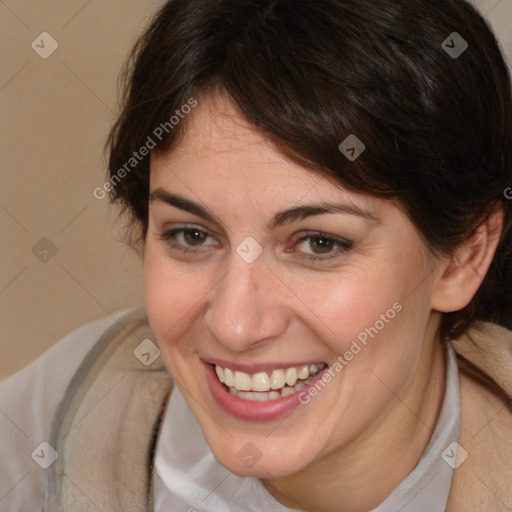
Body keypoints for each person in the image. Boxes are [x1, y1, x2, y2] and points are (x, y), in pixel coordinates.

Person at [1, 0, 512, 510]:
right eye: (193, 236)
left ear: (464, 256)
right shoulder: (58, 416)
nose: (235, 325)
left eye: (319, 243)